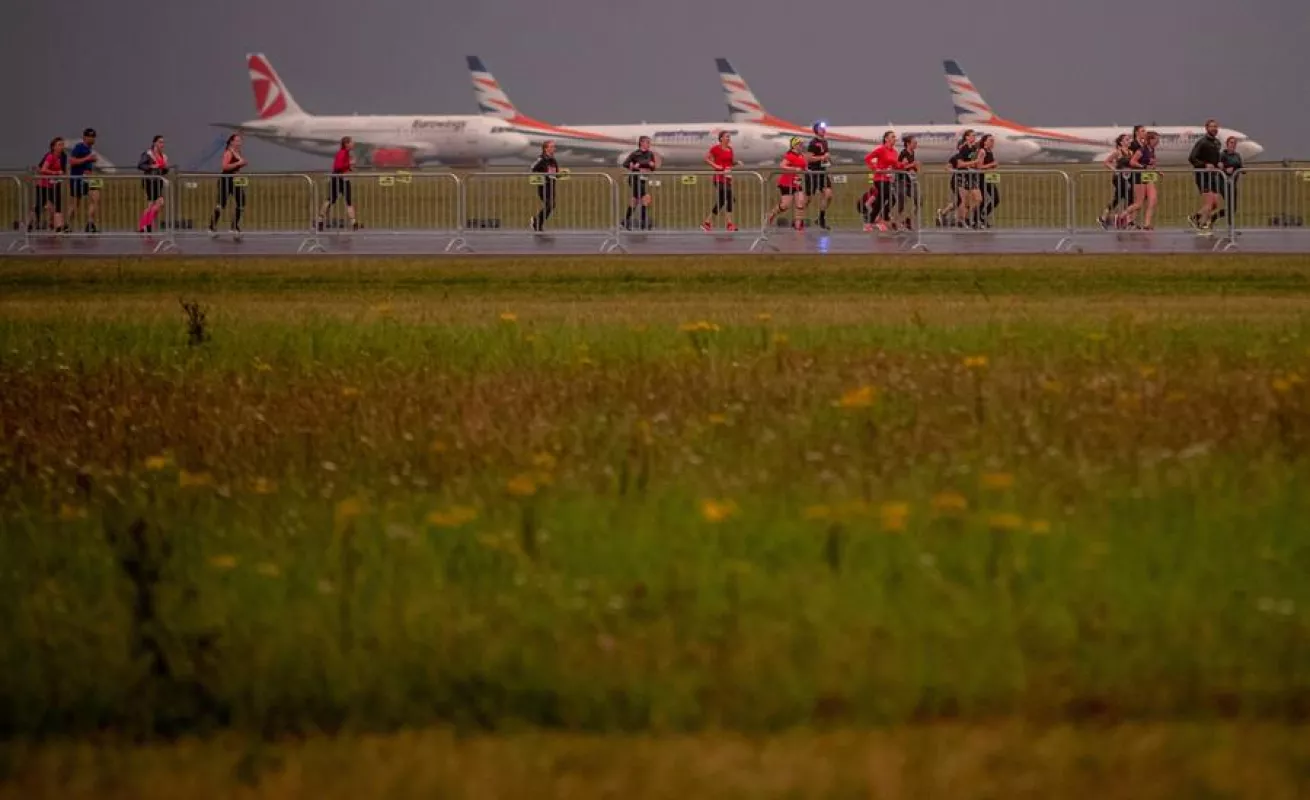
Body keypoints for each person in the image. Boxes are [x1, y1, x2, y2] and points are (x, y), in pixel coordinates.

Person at [764, 137, 808, 231]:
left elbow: (803, 167)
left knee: (800, 203)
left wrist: (807, 170)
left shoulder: (801, 155)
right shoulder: (790, 155)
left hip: (797, 183)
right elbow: (782, 165)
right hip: (787, 183)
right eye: (799, 144)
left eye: (802, 144)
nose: (801, 146)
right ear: (794, 145)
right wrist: (794, 169)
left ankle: (798, 225)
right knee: (785, 205)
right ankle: (772, 214)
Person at [209, 134, 249, 238]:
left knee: (241, 202)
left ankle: (234, 226)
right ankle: (212, 227)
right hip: (226, 180)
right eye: (237, 141)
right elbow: (225, 166)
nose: (239, 143)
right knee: (221, 204)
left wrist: (242, 163)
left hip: (236, 180)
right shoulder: (228, 152)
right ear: (231, 142)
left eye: (240, 141)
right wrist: (238, 164)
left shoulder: (238, 152)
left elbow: (241, 163)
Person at [1119, 130, 1160, 230]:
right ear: (1150, 140)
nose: (1158, 142)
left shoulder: (1152, 150)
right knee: (1139, 203)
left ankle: (1147, 224)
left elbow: (1151, 164)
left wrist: (1157, 171)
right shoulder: (1142, 150)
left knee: (1153, 200)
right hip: (1140, 176)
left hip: (1149, 176)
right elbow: (1132, 162)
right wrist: (1143, 166)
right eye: (1156, 140)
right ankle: (1122, 216)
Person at [1188, 119, 1223, 231]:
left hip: (1214, 176)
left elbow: (1215, 159)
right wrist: (1204, 165)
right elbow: (1192, 158)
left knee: (1215, 204)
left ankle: (1195, 217)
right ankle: (1202, 225)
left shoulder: (1217, 143)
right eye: (1212, 126)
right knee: (1209, 202)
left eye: (1216, 126)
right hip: (1203, 176)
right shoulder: (1202, 142)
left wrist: (1219, 164)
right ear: (1207, 128)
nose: (1214, 129)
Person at [702, 130, 740, 232]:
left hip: (727, 177)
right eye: (727, 136)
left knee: (721, 202)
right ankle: (729, 224)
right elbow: (706, 159)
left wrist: (736, 163)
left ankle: (707, 223)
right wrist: (716, 166)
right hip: (719, 178)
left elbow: (730, 163)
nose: (728, 138)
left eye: (729, 137)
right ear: (721, 138)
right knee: (730, 197)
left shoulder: (730, 149)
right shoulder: (716, 148)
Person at [861, 131, 899, 232]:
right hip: (879, 179)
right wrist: (875, 168)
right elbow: (867, 158)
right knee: (890, 198)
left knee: (881, 201)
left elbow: (896, 165)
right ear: (886, 139)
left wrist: (906, 165)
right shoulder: (881, 149)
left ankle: (870, 222)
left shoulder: (895, 152)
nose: (895, 139)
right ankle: (882, 218)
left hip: (888, 179)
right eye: (892, 137)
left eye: (895, 137)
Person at [27, 137, 68, 233]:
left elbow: (63, 170)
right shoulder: (50, 156)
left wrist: (62, 174)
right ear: (53, 147)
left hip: (55, 184)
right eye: (59, 145)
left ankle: (59, 227)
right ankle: (29, 223)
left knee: (58, 205)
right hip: (44, 185)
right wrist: (55, 173)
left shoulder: (63, 156)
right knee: (39, 206)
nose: (61, 147)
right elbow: (43, 169)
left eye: (62, 145)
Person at [318, 137, 359, 231]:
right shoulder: (342, 153)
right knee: (331, 199)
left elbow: (343, 167)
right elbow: (338, 167)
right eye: (351, 142)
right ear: (346, 144)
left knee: (347, 201)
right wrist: (350, 163)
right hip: (338, 179)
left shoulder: (347, 153)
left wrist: (350, 168)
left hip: (343, 179)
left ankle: (354, 223)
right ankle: (320, 220)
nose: (353, 143)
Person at [622, 135, 660, 230]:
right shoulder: (635, 154)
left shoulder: (650, 154)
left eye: (649, 142)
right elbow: (625, 164)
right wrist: (634, 166)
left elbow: (652, 167)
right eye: (647, 142)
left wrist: (652, 166)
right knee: (645, 198)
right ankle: (643, 222)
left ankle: (626, 221)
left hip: (643, 179)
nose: (649, 144)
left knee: (635, 201)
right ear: (641, 143)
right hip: (634, 179)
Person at [1097, 134, 1135, 229]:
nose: (1129, 141)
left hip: (1128, 177)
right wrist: (1115, 170)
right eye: (1126, 140)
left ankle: (1104, 218)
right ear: (1121, 142)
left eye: (1129, 139)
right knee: (1125, 197)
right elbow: (1106, 162)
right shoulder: (1118, 152)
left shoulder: (1131, 152)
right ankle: (1127, 221)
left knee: (1122, 198)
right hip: (1119, 178)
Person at [67, 128, 99, 233]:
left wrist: (91, 164)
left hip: (88, 178)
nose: (92, 139)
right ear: (84, 137)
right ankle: (68, 224)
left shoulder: (91, 149)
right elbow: (72, 161)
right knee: (75, 203)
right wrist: (87, 159)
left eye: (93, 137)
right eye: (90, 136)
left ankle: (90, 223)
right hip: (77, 178)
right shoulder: (79, 147)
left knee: (95, 197)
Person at [804, 121, 834, 229]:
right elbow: (808, 158)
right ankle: (798, 218)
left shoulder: (825, 142)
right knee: (808, 199)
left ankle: (821, 218)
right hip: (812, 173)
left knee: (828, 195)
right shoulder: (813, 143)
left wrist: (828, 158)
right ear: (816, 130)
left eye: (824, 128)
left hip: (822, 172)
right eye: (821, 129)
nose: (824, 130)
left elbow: (825, 156)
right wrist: (822, 157)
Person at [136, 135, 168, 233]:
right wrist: (151, 166)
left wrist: (165, 168)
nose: (162, 144)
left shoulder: (163, 156)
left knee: (152, 205)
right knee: (159, 202)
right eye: (160, 142)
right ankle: (145, 224)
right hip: (150, 181)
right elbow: (140, 165)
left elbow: (163, 170)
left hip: (158, 181)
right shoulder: (148, 154)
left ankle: (145, 225)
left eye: (163, 142)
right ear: (154, 143)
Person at [1212, 135, 1243, 228]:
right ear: (1227, 144)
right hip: (1223, 183)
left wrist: (1241, 169)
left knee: (1233, 208)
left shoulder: (1237, 155)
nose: (1233, 145)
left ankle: (1214, 217)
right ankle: (1231, 226)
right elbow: (1218, 167)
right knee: (1230, 204)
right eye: (1231, 143)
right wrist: (1225, 169)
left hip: (1233, 183)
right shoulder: (1222, 155)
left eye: (1235, 143)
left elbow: (1240, 167)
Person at [530, 140, 559, 232]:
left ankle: (537, 223)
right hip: (544, 187)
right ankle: (536, 222)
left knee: (551, 205)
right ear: (546, 149)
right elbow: (532, 167)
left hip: (552, 186)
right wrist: (540, 176)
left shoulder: (553, 160)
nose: (554, 148)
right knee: (550, 205)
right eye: (552, 147)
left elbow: (556, 172)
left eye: (554, 147)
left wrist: (560, 174)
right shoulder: (541, 159)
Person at [894, 135, 921, 230]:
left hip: (910, 181)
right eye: (914, 143)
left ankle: (908, 220)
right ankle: (896, 221)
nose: (916, 144)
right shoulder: (903, 153)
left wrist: (915, 168)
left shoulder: (912, 153)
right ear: (908, 144)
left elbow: (911, 168)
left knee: (919, 200)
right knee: (901, 201)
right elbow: (901, 167)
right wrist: (912, 165)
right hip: (901, 181)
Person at [974, 133, 1000, 228]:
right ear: (985, 142)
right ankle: (977, 219)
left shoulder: (990, 152)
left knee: (995, 199)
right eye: (991, 141)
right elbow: (979, 166)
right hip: (981, 178)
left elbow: (988, 165)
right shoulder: (982, 151)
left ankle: (982, 217)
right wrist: (991, 165)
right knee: (983, 199)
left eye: (993, 141)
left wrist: (993, 166)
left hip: (989, 177)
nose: (993, 143)